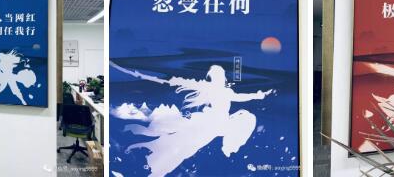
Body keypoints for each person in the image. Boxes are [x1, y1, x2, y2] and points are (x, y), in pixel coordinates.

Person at [111, 62, 273, 177]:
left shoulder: (226, 92)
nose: (220, 79)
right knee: (181, 148)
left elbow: (241, 97)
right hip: (208, 123)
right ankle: (153, 166)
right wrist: (143, 75)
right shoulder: (207, 88)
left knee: (246, 118)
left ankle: (229, 148)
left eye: (221, 76)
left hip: (216, 124)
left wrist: (258, 95)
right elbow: (173, 81)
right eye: (217, 76)